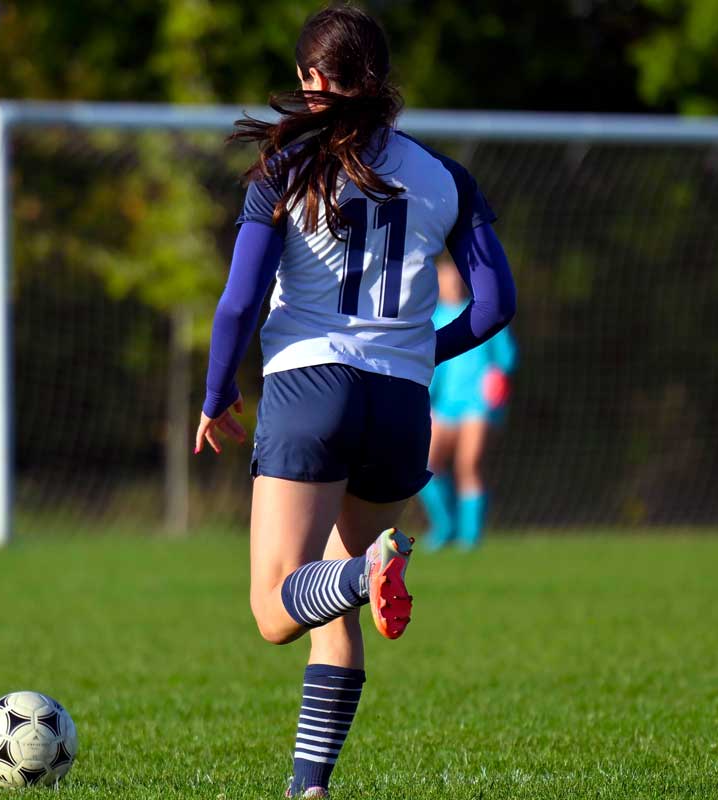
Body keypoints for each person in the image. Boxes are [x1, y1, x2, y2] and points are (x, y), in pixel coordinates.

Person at [192, 7, 516, 798]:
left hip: (311, 389)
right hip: (402, 409)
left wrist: (216, 392)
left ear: (311, 80)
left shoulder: (288, 165)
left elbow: (239, 303)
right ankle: (311, 788)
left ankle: (368, 567)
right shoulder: (444, 176)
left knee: (278, 608)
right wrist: (419, 354)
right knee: (334, 610)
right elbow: (496, 301)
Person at [419, 255, 517, 551]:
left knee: (468, 464)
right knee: (426, 466)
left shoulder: (482, 312)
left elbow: (506, 357)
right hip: (444, 405)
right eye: (446, 276)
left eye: (456, 276)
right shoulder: (431, 318)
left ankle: (470, 536)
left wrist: (497, 378)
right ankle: (444, 526)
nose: (452, 282)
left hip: (478, 405)